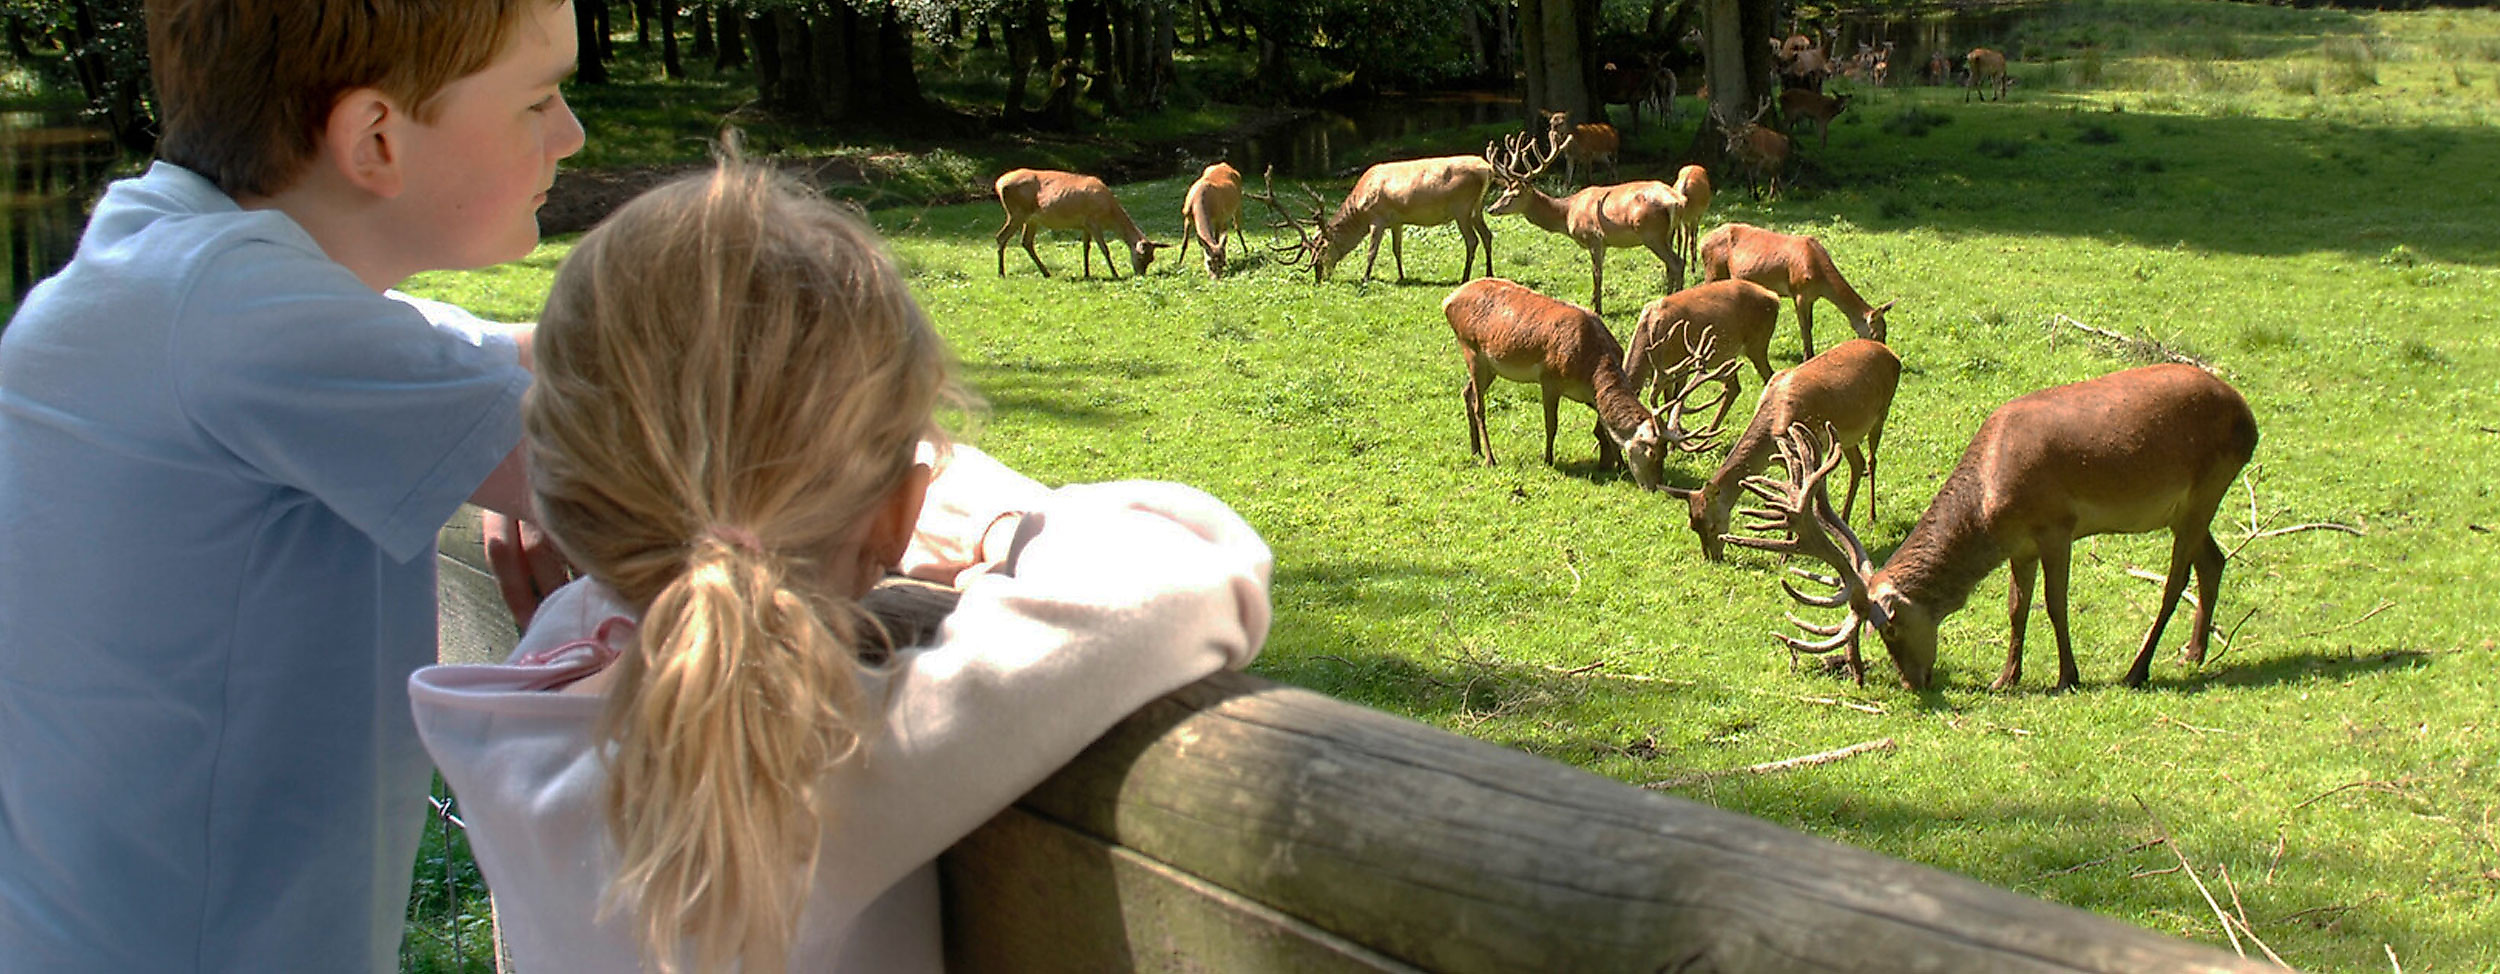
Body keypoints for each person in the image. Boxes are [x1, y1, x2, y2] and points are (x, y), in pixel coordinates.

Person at [408, 162, 1272, 973]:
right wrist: (986, 508)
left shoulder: (518, 708)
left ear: (558, 496)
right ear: (899, 514)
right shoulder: (834, 756)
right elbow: (1193, 570)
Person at [0, 0, 583, 969]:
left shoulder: (176, 273)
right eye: (539, 99)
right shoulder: (235, 315)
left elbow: (538, 364)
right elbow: (648, 463)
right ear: (375, 139)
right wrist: (906, 471)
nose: (570, 131)